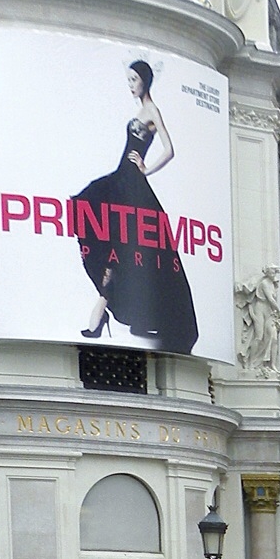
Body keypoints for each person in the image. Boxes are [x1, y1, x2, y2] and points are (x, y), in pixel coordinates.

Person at [75, 59, 199, 353]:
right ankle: (106, 314)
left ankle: (104, 317)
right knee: (93, 217)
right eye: (128, 80)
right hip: (121, 179)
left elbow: (170, 150)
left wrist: (146, 168)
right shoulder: (139, 111)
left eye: (134, 80)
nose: (130, 85)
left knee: (130, 248)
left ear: (145, 80)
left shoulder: (152, 110)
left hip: (132, 183)